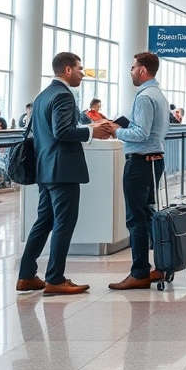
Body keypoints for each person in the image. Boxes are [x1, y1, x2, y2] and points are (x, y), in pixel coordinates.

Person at [17, 52, 113, 295]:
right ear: (68, 70)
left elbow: (51, 131)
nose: (82, 74)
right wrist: (91, 133)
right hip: (62, 170)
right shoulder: (63, 95)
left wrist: (88, 127)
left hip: (45, 168)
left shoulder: (42, 96)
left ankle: (26, 275)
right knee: (64, 223)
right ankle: (55, 278)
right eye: (80, 68)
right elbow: (61, 132)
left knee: (44, 221)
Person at [109, 52, 171, 290]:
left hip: (140, 163)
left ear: (143, 70)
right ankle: (160, 265)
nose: (131, 71)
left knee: (136, 219)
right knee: (147, 215)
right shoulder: (158, 94)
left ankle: (139, 272)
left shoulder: (145, 96)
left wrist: (115, 131)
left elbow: (141, 133)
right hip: (154, 161)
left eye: (133, 67)